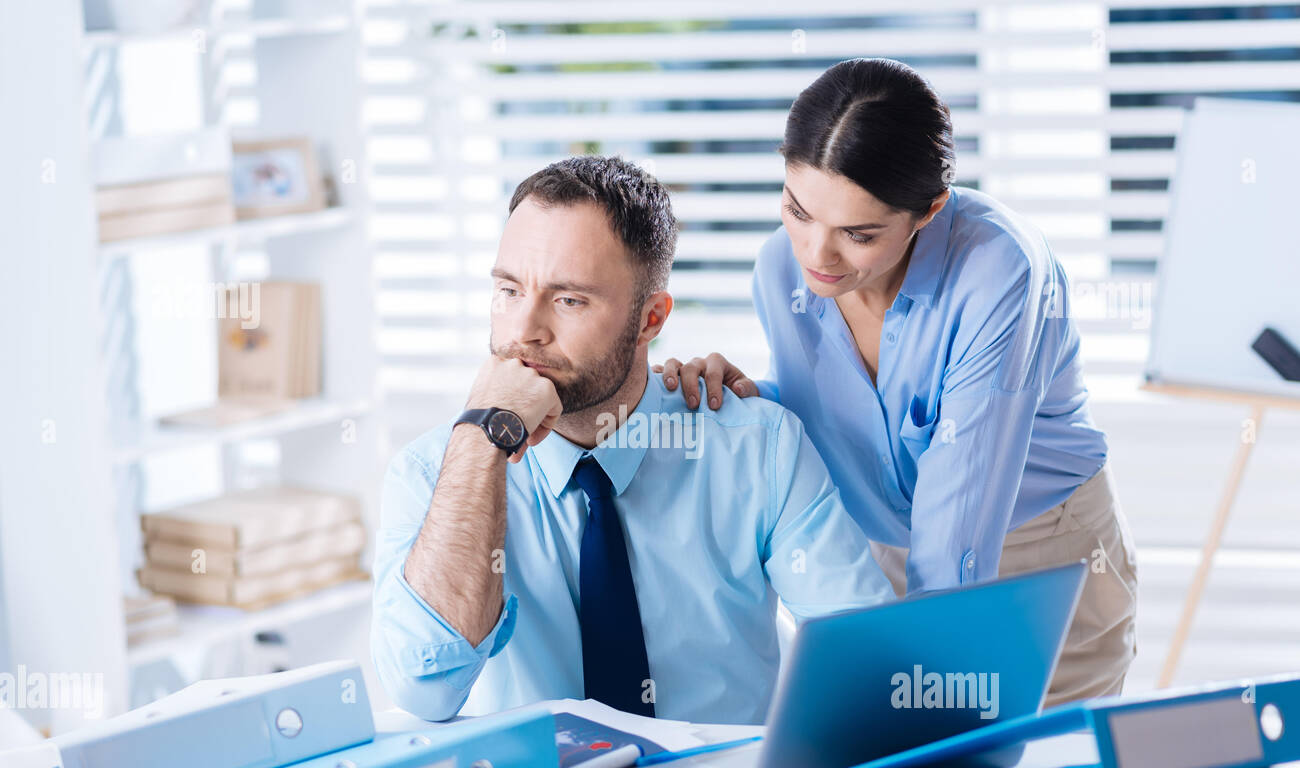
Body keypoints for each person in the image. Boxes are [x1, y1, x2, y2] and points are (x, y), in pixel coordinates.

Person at [655, 58, 1137, 706]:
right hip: (883, 552)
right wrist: (748, 398)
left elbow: (959, 514)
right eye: (797, 210)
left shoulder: (999, 273)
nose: (815, 255)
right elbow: (841, 419)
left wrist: (926, 686)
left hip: (1038, 561)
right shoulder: (778, 269)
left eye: (858, 234)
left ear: (928, 209)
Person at [371, 155, 895, 724]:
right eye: (509, 290)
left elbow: (868, 662)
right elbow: (424, 689)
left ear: (651, 320)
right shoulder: (433, 474)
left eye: (569, 300)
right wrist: (480, 443)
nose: (524, 331)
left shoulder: (755, 448)